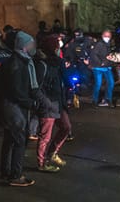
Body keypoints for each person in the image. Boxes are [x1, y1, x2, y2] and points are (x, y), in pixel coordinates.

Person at [0, 31, 40, 187]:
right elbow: (16, 90)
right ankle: (15, 175)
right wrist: (30, 102)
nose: (32, 47)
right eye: (30, 44)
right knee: (19, 141)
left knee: (9, 139)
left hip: (10, 106)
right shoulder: (18, 64)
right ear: (23, 46)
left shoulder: (18, 62)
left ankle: (6, 171)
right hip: (14, 108)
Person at [35, 35, 72, 172]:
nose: (58, 48)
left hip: (58, 101)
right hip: (48, 103)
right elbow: (37, 86)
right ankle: (41, 162)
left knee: (66, 127)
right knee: (45, 136)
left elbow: (65, 80)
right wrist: (44, 101)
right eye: (57, 46)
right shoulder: (41, 63)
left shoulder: (58, 62)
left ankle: (52, 153)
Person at [90, 30, 115, 108]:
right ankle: (95, 100)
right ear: (102, 36)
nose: (107, 37)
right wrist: (101, 62)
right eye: (105, 36)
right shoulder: (99, 44)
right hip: (98, 68)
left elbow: (110, 55)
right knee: (98, 84)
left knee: (111, 83)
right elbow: (93, 54)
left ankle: (108, 99)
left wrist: (112, 58)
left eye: (109, 36)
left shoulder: (110, 44)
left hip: (107, 67)